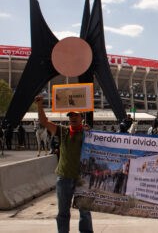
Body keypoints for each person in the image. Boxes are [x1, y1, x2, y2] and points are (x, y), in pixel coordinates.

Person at [34, 95, 93, 233]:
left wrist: (89, 133)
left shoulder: (87, 134)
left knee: (85, 212)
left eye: (76, 115)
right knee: (63, 212)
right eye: (70, 115)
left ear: (82, 117)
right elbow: (44, 121)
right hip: (64, 177)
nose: (72, 118)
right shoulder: (62, 131)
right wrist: (39, 105)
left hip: (82, 178)